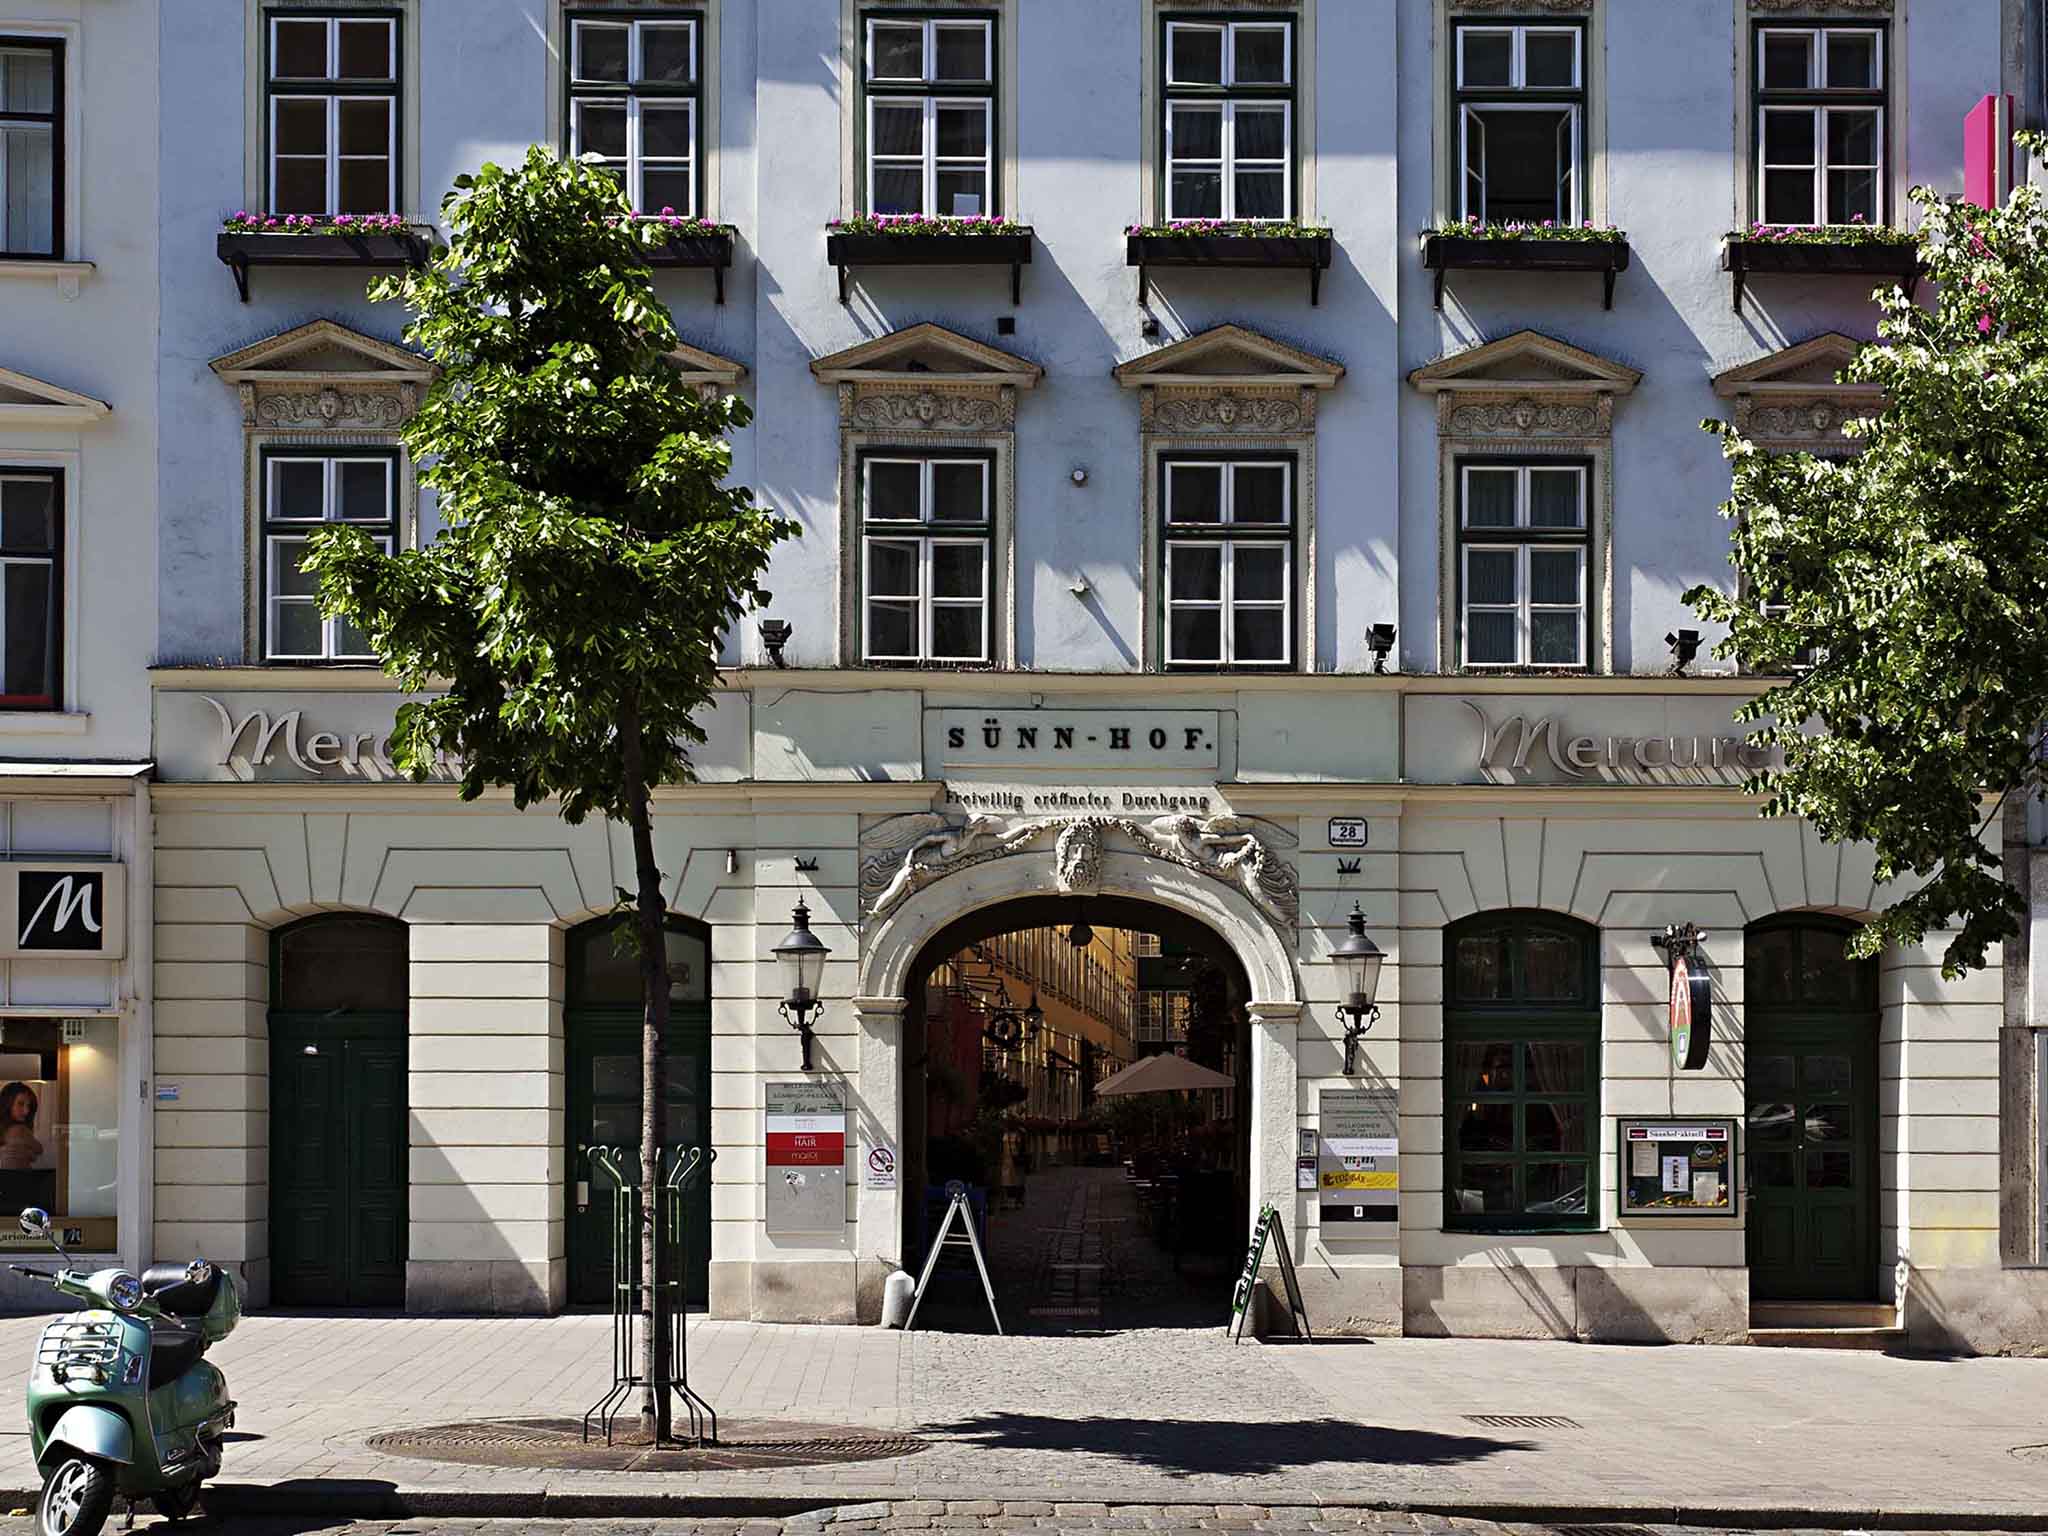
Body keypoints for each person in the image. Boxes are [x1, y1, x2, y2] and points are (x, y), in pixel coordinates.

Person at [0, 1082, 43, 1171]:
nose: (26, 1111)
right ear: (7, 1103)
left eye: (29, 1105)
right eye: (20, 1104)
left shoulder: (4, 1129)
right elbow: (39, 1149)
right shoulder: (20, 1130)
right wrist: (29, 1154)